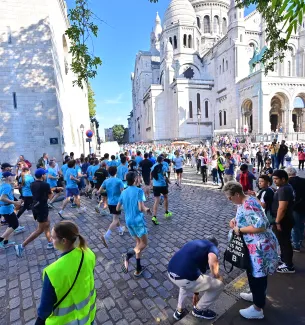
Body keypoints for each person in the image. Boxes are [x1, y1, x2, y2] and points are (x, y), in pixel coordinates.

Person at [223, 181, 278, 320]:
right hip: (255, 247)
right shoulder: (246, 200)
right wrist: (234, 220)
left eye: (230, 197)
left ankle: (257, 308)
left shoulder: (248, 203)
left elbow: (262, 225)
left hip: (258, 247)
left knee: (257, 276)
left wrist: (239, 230)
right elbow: (246, 217)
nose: (229, 200)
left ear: (236, 194)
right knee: (255, 274)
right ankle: (256, 296)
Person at [34, 220, 96, 325]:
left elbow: (44, 310)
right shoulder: (88, 253)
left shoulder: (53, 272)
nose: (51, 239)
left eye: (53, 238)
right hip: (88, 316)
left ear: (64, 241)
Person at [168, 237, 224, 321]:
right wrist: (218, 277)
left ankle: (179, 311)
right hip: (185, 278)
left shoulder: (195, 243)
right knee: (219, 285)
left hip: (171, 272)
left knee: (184, 284)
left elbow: (198, 275)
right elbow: (213, 263)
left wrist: (196, 293)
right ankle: (199, 310)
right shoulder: (212, 247)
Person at [118, 172, 152, 277]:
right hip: (137, 221)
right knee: (144, 243)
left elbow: (117, 208)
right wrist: (147, 209)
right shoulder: (139, 191)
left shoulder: (123, 192)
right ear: (135, 180)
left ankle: (138, 268)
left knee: (138, 243)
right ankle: (128, 255)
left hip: (128, 221)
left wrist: (128, 207)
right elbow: (141, 208)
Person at [15, 169, 54, 257]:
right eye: (45, 174)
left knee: (47, 223)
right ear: (42, 175)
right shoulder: (45, 184)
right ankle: (21, 246)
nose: (45, 175)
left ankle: (50, 242)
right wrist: (54, 191)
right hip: (42, 208)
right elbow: (50, 196)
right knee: (40, 230)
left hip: (37, 207)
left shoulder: (33, 184)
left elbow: (41, 192)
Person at [272, 169, 295, 273]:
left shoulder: (283, 189)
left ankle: (289, 266)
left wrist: (277, 222)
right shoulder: (285, 187)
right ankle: (284, 259)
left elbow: (282, 208)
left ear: (283, 179)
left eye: (276, 179)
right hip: (286, 219)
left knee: (285, 242)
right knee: (283, 242)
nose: (275, 181)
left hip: (283, 221)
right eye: (273, 179)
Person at [100, 166, 125, 247]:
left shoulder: (106, 181)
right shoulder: (119, 181)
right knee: (115, 219)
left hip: (110, 202)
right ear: (116, 172)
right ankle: (106, 235)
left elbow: (100, 191)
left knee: (115, 217)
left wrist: (107, 190)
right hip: (117, 202)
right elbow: (123, 192)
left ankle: (120, 230)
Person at [286, 166, 305, 253]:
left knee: (294, 226)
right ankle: (300, 240)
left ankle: (296, 244)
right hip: (303, 206)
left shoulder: (288, 183)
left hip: (295, 207)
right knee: (301, 224)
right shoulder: (303, 180)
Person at [0, 172, 22, 249]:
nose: (13, 177)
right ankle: (1, 239)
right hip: (6, 209)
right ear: (7, 177)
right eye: (11, 176)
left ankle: (5, 242)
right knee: (15, 224)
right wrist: (15, 202)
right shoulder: (7, 186)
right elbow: (2, 198)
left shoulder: (3, 185)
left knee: (10, 225)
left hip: (5, 209)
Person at [151, 156, 172, 225]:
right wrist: (169, 182)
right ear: (162, 160)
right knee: (166, 197)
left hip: (155, 185)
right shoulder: (163, 167)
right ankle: (166, 212)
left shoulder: (153, 166)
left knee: (156, 201)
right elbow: (165, 176)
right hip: (162, 185)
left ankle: (154, 216)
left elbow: (151, 177)